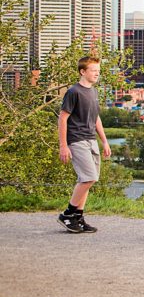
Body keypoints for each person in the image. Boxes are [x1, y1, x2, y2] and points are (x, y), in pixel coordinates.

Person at [57, 55, 112, 233]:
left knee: (87, 179)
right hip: (77, 140)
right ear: (83, 71)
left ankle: (78, 218)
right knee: (89, 177)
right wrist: (63, 145)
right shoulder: (74, 92)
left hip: (91, 139)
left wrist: (104, 141)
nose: (97, 74)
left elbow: (96, 118)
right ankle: (67, 214)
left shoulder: (93, 92)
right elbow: (63, 119)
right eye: (93, 71)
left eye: (98, 71)